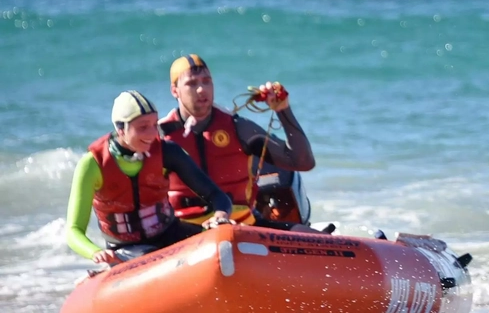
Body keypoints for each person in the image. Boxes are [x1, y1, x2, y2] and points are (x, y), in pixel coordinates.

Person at [66, 91, 234, 266]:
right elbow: (73, 230)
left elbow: (217, 196)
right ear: (120, 129)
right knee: (148, 255)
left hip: (171, 234)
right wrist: (96, 252)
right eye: (143, 127)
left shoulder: (167, 152)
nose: (153, 134)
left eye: (155, 124)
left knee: (226, 245)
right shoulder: (93, 165)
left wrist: (220, 216)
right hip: (125, 250)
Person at [158, 54, 316, 229]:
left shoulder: (238, 128)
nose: (202, 89)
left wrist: (283, 109)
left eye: (206, 81)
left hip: (243, 224)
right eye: (192, 83)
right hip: (184, 230)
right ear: (175, 90)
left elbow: (303, 162)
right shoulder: (161, 136)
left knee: (314, 237)